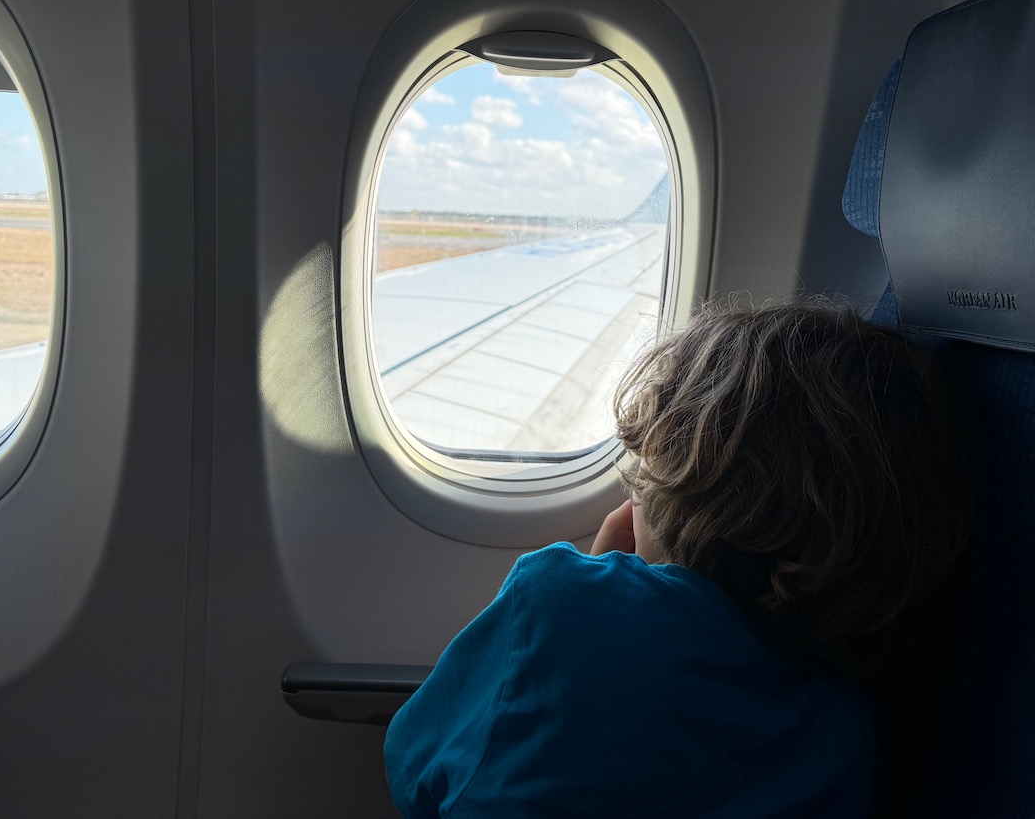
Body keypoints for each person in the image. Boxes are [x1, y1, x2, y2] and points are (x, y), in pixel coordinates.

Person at [383, 299, 972, 818]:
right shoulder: (851, 737)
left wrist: (596, 589)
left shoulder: (555, 606)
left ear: (678, 489)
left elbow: (414, 766)